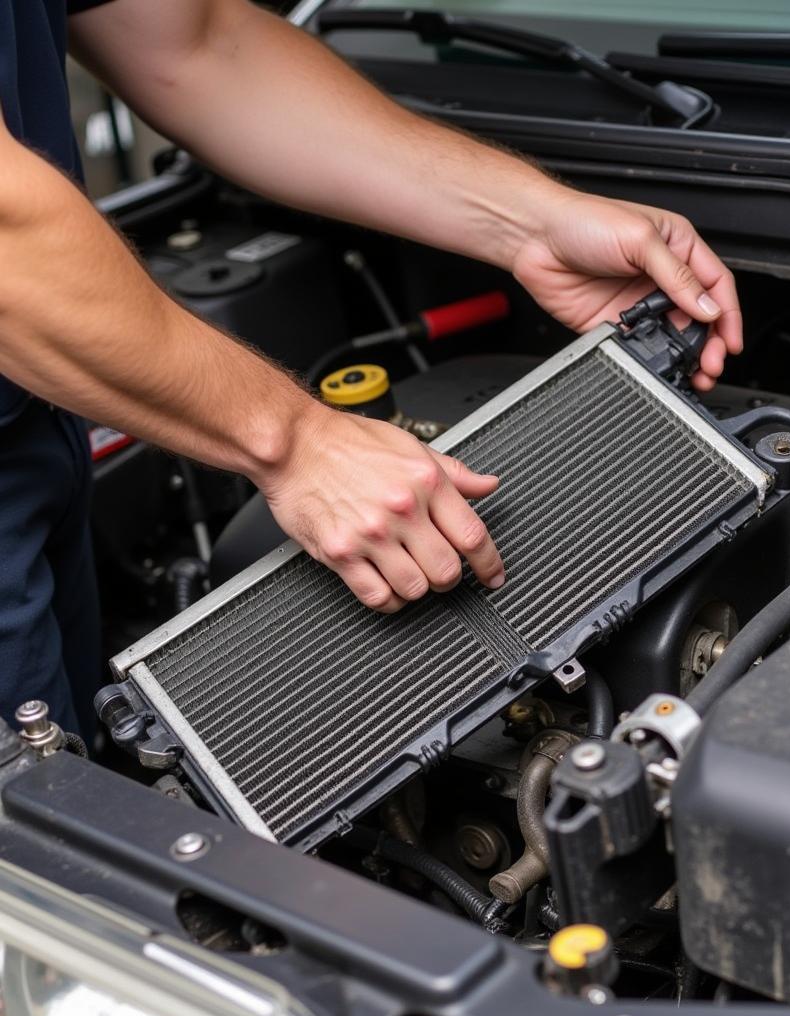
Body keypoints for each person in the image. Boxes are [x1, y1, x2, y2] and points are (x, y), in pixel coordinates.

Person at [0, 0, 743, 732]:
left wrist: (532, 220)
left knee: (72, 766)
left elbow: (197, 46)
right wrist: (296, 442)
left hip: (38, 434)